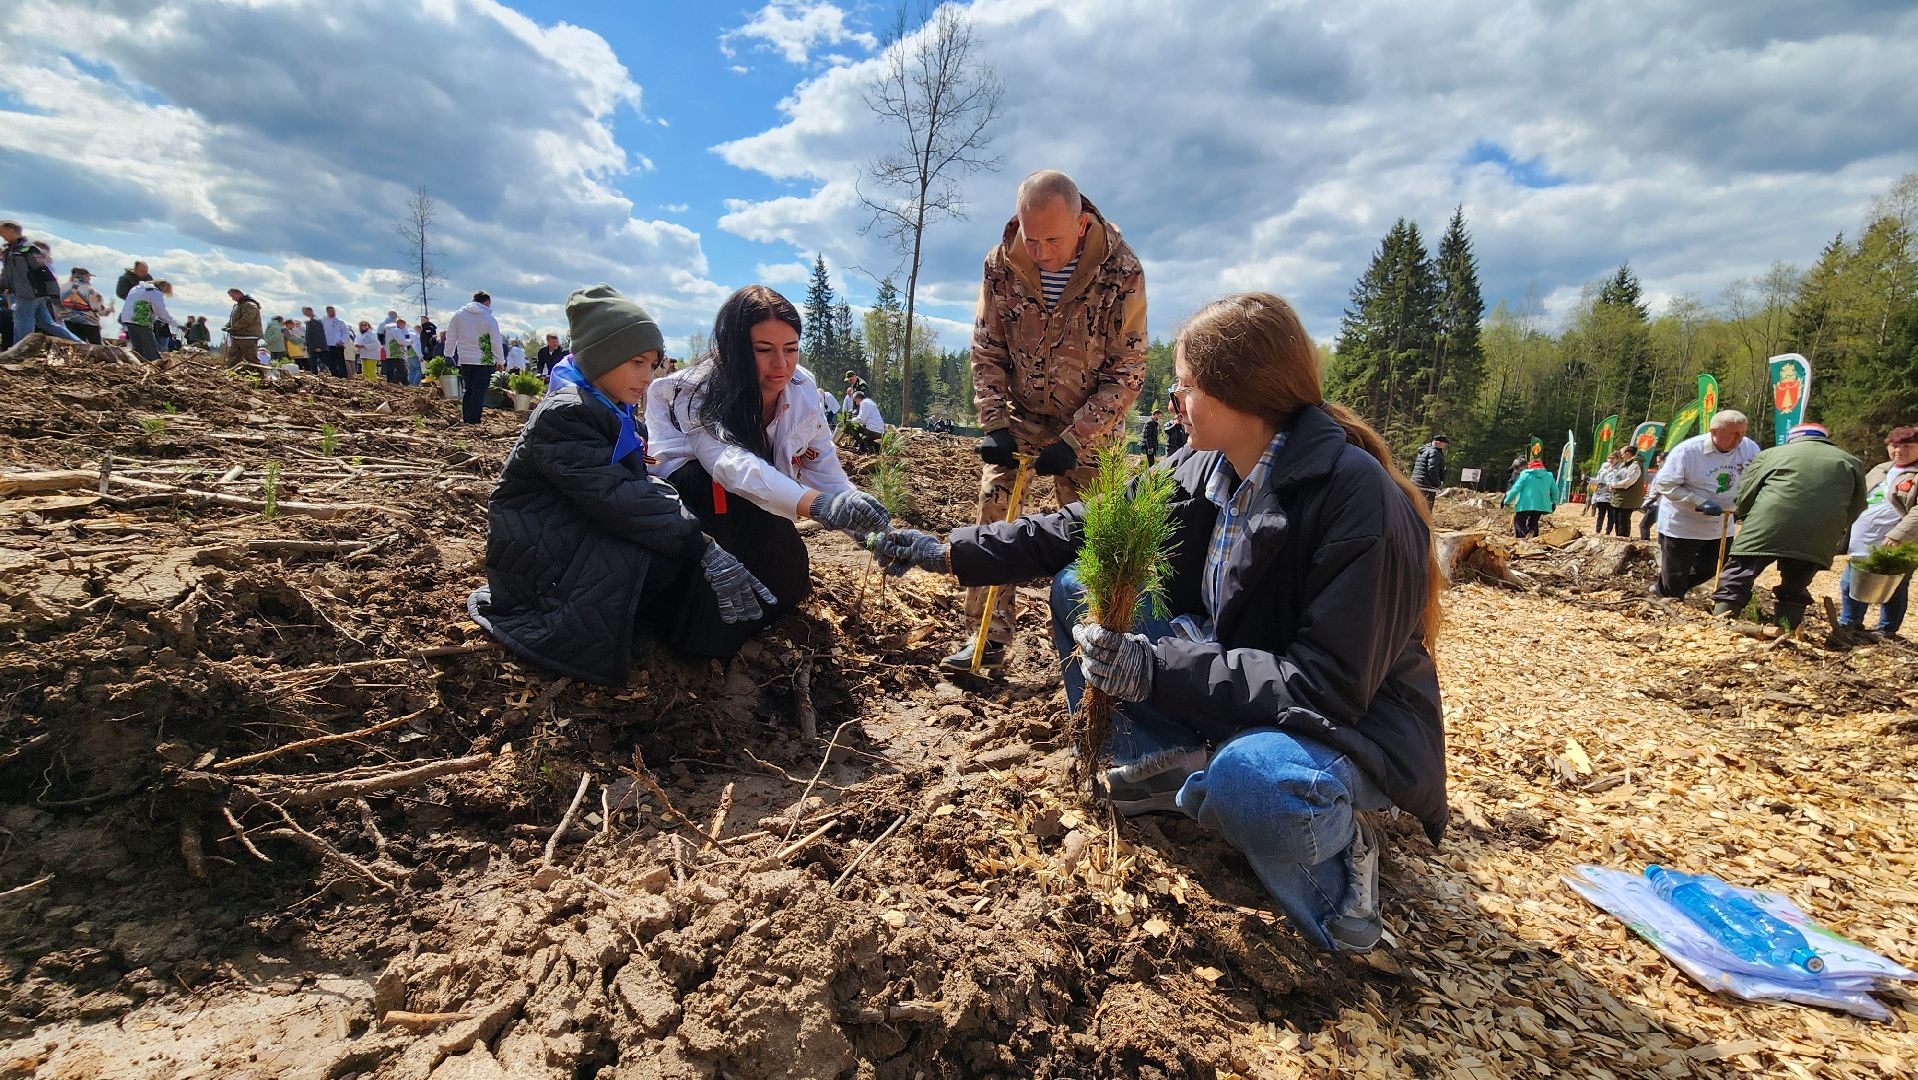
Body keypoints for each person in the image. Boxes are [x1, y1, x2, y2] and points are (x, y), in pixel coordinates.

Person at [873, 292, 1444, 953]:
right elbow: (1083, 526)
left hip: (1341, 728)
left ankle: (1343, 864)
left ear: (1237, 392)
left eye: (1185, 388)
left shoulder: (1354, 497)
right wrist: (948, 551)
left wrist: (1155, 668)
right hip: (1246, 685)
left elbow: (1326, 687)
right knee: (1081, 581)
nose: (1173, 402)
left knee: (1253, 785)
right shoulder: (1210, 464)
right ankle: (1155, 766)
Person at [468, 284, 778, 683]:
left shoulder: (608, 408)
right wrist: (704, 547)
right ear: (601, 356)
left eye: (652, 365)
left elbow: (633, 486)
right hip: (540, 571)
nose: (648, 378)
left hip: (566, 541)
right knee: (663, 555)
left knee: (672, 542)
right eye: (636, 362)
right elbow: (619, 497)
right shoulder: (567, 414)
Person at [949, 168, 1147, 672]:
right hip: (1019, 416)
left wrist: (1077, 439)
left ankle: (1099, 648)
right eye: (1029, 238)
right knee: (995, 509)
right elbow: (987, 348)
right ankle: (986, 639)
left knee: (1095, 533)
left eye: (1050, 240)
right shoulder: (1001, 264)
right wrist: (993, 423)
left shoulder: (1121, 271)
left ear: (1081, 224)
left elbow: (1127, 371)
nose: (1037, 252)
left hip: (1090, 425)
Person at [648, 285, 893, 658]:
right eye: (763, 351)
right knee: (713, 504)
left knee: (789, 570)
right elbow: (728, 464)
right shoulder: (694, 390)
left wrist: (870, 531)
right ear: (733, 349)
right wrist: (816, 505)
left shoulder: (802, 389)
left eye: (791, 349)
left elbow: (822, 466)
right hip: (695, 504)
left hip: (757, 502)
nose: (781, 365)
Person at [1709, 423, 1865, 631]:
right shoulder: (1851, 462)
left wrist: (1747, 517)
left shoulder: (1771, 455)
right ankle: (1788, 629)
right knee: (1796, 581)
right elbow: (1858, 504)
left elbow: (1745, 493)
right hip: (1819, 532)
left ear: (1793, 438)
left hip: (1767, 523)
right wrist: (1836, 528)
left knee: (1740, 572)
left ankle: (1721, 625)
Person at [1648, 410, 1760, 599]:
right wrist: (1699, 501)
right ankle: (1668, 601)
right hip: (1683, 522)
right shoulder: (1688, 450)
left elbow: (1754, 476)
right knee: (1676, 574)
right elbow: (1665, 484)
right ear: (1714, 431)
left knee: (1713, 566)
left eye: (1742, 432)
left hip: (1721, 522)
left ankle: (1667, 589)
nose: (1739, 438)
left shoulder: (1749, 448)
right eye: (1734, 433)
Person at [1835, 426, 1918, 644]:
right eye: (1894, 445)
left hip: (1900, 542)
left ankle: (1887, 630)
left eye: (1907, 446)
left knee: (1894, 586)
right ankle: (1850, 623)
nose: (1899, 450)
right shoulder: (1881, 469)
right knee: (1851, 582)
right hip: (1864, 539)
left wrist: (1898, 535)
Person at [0, 221, 84, 343]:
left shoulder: (29, 249)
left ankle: (20, 352)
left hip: (30, 292)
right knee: (46, 323)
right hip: (23, 292)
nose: (1, 235)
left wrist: (51, 292)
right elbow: (7, 273)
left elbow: (43, 271)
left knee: (23, 322)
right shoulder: (10, 250)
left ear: (11, 230)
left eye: (2, 231)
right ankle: (80, 343)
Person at [445, 291, 503, 424]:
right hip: (484, 360)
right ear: (486, 303)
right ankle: (474, 420)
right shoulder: (489, 319)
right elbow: (495, 341)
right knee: (479, 391)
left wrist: (448, 354)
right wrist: (500, 360)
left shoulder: (458, 315)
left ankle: (466, 418)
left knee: (469, 389)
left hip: (465, 359)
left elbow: (451, 336)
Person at [118, 278, 178, 361]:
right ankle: (156, 366)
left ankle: (139, 365)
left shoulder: (136, 288)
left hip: (128, 319)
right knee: (151, 348)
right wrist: (175, 324)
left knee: (138, 347)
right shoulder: (154, 292)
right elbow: (161, 312)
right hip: (141, 320)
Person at [1503, 459, 1557, 538]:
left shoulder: (1525, 474)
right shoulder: (1549, 475)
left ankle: (1523, 539)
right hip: (1541, 505)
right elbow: (1555, 491)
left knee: (1518, 522)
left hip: (1525, 504)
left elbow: (1515, 489)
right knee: (1534, 523)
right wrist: (1554, 502)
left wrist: (1507, 501)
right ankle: (1534, 540)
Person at [59, 268, 112, 344]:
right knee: (96, 349)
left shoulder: (62, 288)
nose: (90, 279)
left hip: (68, 323)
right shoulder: (90, 290)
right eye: (88, 276)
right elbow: (99, 310)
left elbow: (56, 305)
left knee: (74, 346)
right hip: (89, 324)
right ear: (84, 276)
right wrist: (109, 310)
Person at [1606, 449, 1644, 538]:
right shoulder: (1624, 464)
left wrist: (1614, 485)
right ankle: (1618, 541)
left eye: (1622, 453)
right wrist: (1612, 485)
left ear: (1628, 453)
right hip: (1619, 498)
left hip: (1627, 500)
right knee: (1617, 522)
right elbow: (1617, 478)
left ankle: (1623, 544)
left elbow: (1628, 481)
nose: (1621, 456)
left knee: (1623, 524)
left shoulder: (1635, 465)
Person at [224, 288, 263, 368]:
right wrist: (227, 326)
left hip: (248, 336)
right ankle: (230, 375)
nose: (232, 299)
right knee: (233, 358)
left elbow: (247, 319)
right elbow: (233, 319)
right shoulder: (238, 306)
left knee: (251, 359)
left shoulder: (249, 305)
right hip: (238, 336)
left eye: (232, 296)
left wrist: (233, 328)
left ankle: (258, 375)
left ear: (238, 293)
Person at [1409, 434, 1448, 507]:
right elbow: (1432, 469)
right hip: (1426, 485)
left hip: (1416, 482)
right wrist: (1437, 484)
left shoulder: (1424, 450)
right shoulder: (1434, 452)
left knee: (1414, 507)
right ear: (1438, 442)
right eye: (1444, 443)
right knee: (1426, 509)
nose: (1445, 445)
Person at [384, 317, 420, 385]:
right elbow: (401, 341)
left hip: (391, 353)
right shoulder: (396, 330)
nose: (404, 326)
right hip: (397, 353)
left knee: (392, 368)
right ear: (400, 323)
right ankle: (394, 382)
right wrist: (411, 341)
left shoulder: (389, 330)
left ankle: (404, 383)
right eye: (404, 324)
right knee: (402, 370)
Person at [1637, 452, 1665, 540]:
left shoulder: (1665, 473)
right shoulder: (1662, 472)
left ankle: (1645, 543)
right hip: (1657, 503)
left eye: (1659, 461)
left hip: (1657, 504)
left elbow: (1661, 490)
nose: (1657, 464)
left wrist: (1649, 503)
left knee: (1644, 525)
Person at [321, 305, 352, 378]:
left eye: (334, 311)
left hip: (337, 345)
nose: (333, 313)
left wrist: (342, 341)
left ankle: (343, 376)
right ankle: (334, 374)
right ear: (327, 312)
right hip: (327, 345)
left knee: (340, 361)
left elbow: (345, 333)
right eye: (331, 311)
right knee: (329, 361)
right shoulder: (323, 322)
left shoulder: (340, 322)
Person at [301, 307, 332, 375]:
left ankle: (335, 372)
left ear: (309, 311)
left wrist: (318, 346)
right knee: (313, 363)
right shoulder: (312, 320)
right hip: (313, 346)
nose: (304, 314)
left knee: (322, 361)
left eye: (305, 312)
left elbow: (318, 334)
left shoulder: (315, 320)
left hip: (316, 347)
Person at [1589, 457, 1616, 535]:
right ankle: (1598, 530)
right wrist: (1590, 480)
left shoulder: (1617, 470)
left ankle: (1608, 531)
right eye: (1609, 458)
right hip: (1601, 496)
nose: (1610, 460)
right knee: (1601, 514)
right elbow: (1598, 481)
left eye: (1612, 458)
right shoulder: (1602, 469)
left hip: (1611, 497)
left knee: (1610, 515)